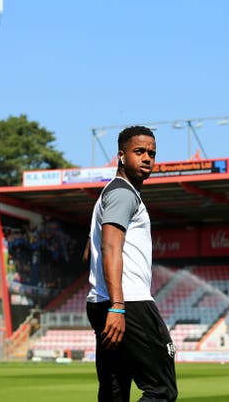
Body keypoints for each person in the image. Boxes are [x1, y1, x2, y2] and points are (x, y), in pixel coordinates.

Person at [86, 126, 178, 402]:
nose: (147, 158)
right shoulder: (123, 193)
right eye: (139, 151)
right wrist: (117, 305)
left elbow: (90, 249)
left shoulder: (110, 193)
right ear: (121, 156)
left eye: (152, 153)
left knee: (114, 391)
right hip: (129, 303)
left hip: (103, 302)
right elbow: (110, 247)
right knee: (161, 391)